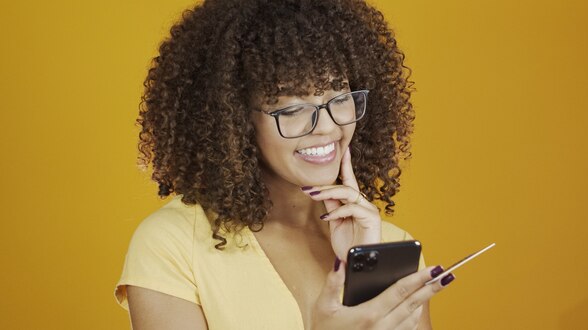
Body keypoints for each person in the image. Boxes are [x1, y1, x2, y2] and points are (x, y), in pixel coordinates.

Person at [114, 0, 456, 328]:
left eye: (339, 98)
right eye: (292, 109)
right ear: (235, 120)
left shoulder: (386, 246)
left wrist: (366, 271)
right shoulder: (172, 245)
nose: (327, 126)